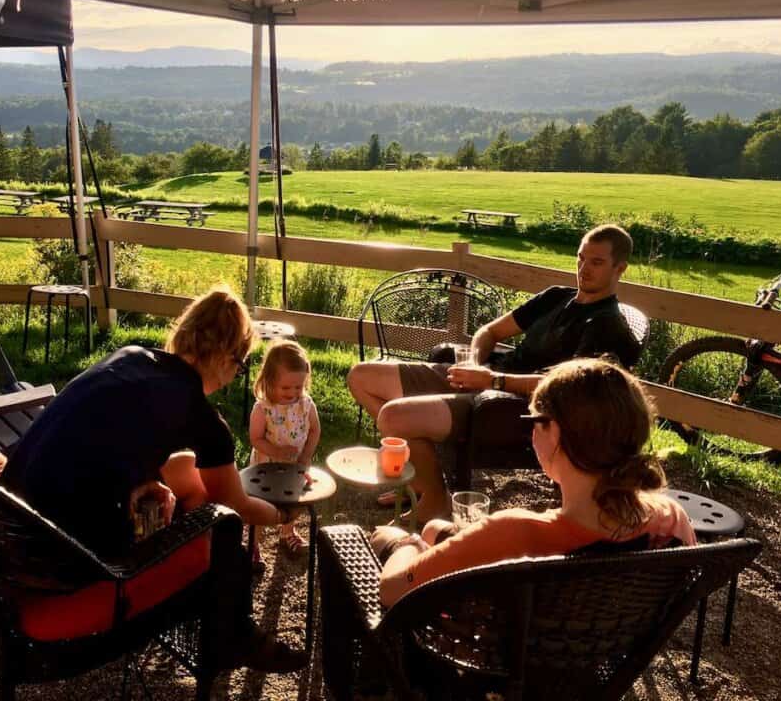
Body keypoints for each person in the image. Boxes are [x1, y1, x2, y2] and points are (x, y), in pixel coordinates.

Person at [0, 285, 306, 672]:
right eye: (240, 364)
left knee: (180, 492)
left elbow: (103, 432)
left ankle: (229, 632)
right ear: (224, 359)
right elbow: (237, 505)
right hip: (57, 557)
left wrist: (140, 477)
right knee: (224, 528)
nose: (235, 375)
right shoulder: (202, 419)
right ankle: (236, 637)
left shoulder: (129, 356)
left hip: (8, 518)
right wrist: (285, 515)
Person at [347, 223, 641, 522]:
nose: (583, 268)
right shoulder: (556, 297)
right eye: (580, 258)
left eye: (596, 262)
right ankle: (424, 480)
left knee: (393, 417)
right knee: (362, 377)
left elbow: (569, 389)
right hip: (484, 377)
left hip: (512, 406)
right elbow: (490, 331)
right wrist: (474, 362)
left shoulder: (606, 325)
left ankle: (435, 500)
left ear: (620, 268)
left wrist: (494, 380)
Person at [369, 358, 696, 608]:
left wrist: (402, 544)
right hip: (598, 659)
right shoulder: (669, 518)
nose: (530, 432)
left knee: (400, 537)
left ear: (554, 431)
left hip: (485, 664)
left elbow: (391, 591)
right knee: (434, 529)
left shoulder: (514, 533)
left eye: (533, 421)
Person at [249, 340, 321, 555]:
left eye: (298, 387)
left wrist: (306, 456)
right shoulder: (264, 408)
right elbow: (256, 438)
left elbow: (315, 430)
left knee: (294, 502)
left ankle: (288, 532)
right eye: (286, 387)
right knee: (261, 506)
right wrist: (277, 451)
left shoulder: (305, 404)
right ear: (269, 381)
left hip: (295, 466)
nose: (293, 392)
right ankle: (254, 543)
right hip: (266, 467)